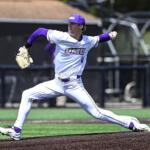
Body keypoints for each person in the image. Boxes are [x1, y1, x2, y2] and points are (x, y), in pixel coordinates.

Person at [0, 14, 149, 140]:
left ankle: (131, 124)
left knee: (96, 113)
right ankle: (16, 131)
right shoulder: (61, 36)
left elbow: (99, 38)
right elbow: (39, 31)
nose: (70, 26)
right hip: (57, 83)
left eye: (74, 24)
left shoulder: (87, 41)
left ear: (81, 27)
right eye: (69, 23)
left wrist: (110, 36)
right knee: (27, 94)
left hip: (74, 85)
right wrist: (27, 46)